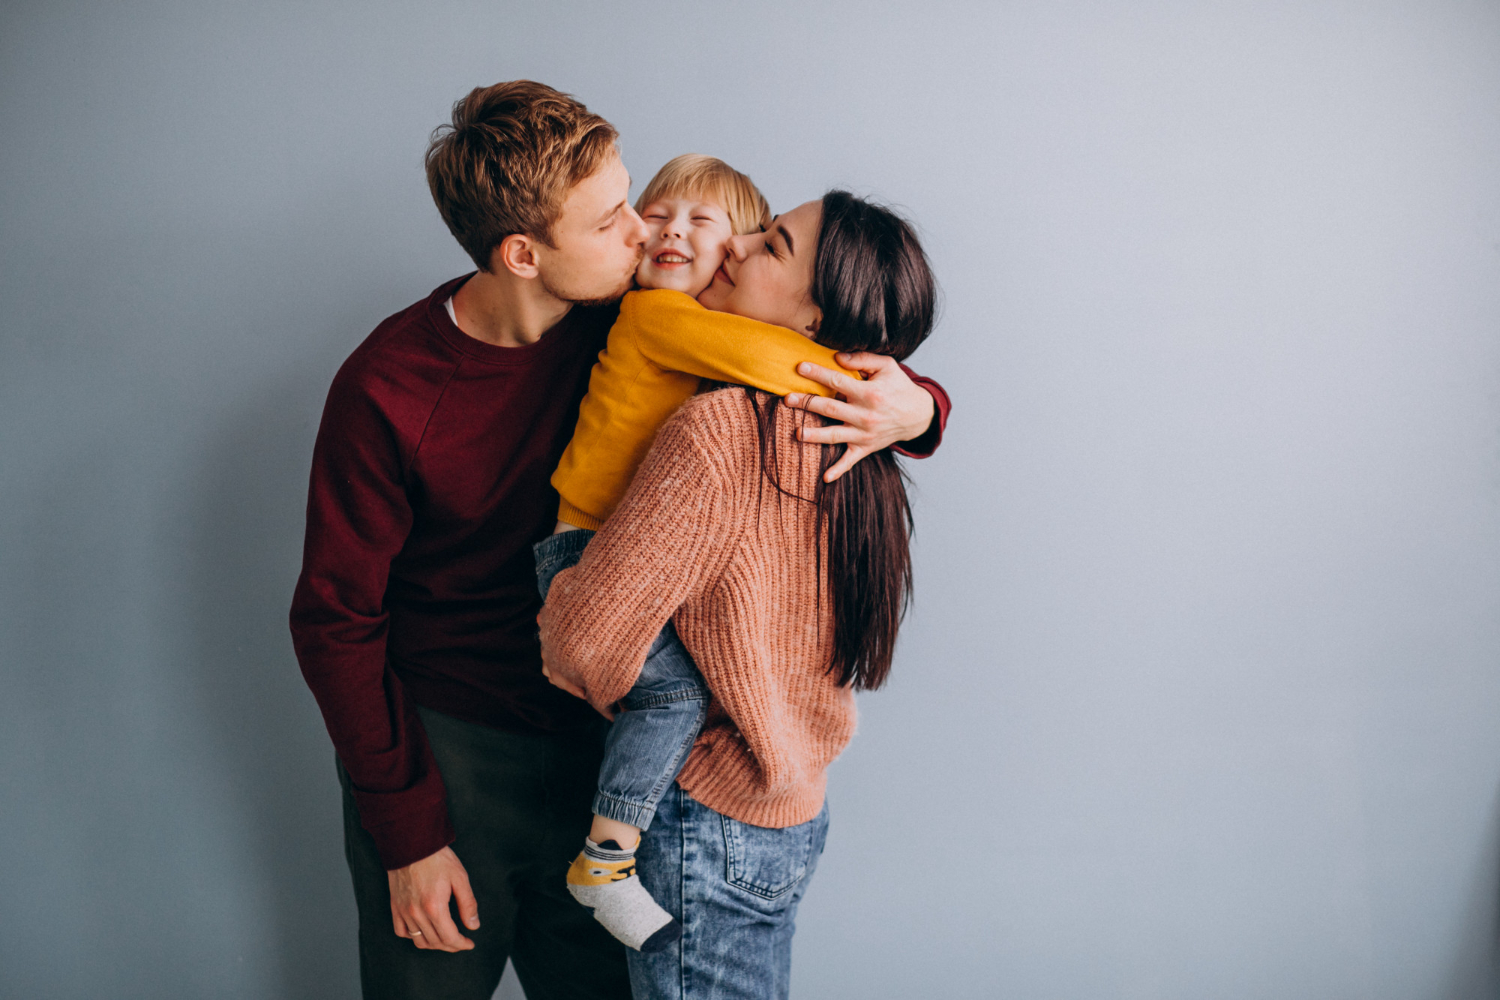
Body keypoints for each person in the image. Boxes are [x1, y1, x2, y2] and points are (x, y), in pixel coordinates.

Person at [290, 80, 950, 1000]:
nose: (645, 235)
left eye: (631, 201)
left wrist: (916, 407)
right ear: (524, 253)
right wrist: (408, 834)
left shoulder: (637, 318)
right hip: (450, 764)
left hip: (612, 765)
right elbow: (335, 621)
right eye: (610, 223)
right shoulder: (387, 389)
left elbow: (813, 328)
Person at [539, 190, 938, 1000]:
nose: (738, 247)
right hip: (792, 808)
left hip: (708, 820)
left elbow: (582, 643)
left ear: (816, 314)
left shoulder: (719, 432)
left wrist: (564, 608)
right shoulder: (865, 435)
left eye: (773, 245)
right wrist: (921, 406)